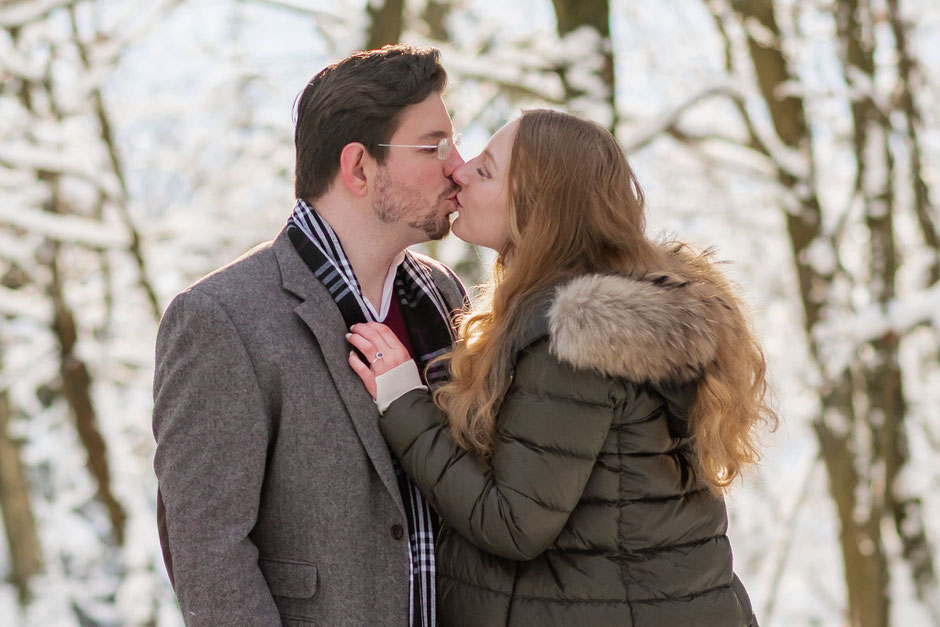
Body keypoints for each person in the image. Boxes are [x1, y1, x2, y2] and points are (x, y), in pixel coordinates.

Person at [347, 108, 776, 626]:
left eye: (485, 170)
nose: (459, 171)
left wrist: (402, 400)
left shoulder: (576, 340)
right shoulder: (593, 307)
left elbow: (512, 523)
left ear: (539, 208)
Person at [152, 44, 467, 626]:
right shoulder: (221, 318)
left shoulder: (445, 297)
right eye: (432, 146)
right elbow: (209, 555)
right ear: (358, 168)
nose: (457, 165)